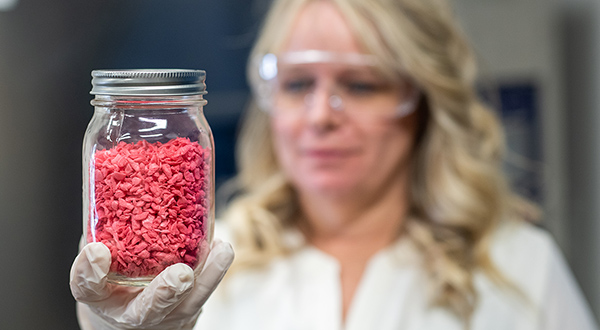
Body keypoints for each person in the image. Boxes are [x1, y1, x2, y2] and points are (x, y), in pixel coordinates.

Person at [70, 0, 599, 329]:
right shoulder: (202, 265)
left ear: (422, 102)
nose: (320, 116)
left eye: (361, 84)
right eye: (298, 84)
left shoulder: (522, 269)